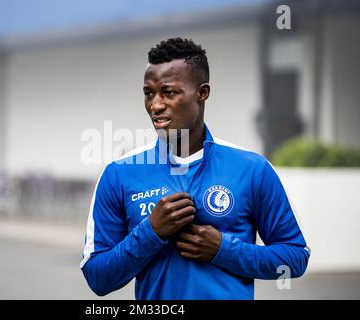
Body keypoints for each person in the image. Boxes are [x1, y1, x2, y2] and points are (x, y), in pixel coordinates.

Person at [80, 37, 310, 299]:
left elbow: (295, 257)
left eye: (169, 92)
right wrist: (151, 232)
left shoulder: (252, 169)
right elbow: (97, 277)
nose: (155, 105)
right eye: (148, 93)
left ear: (202, 93)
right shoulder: (119, 173)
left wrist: (224, 250)